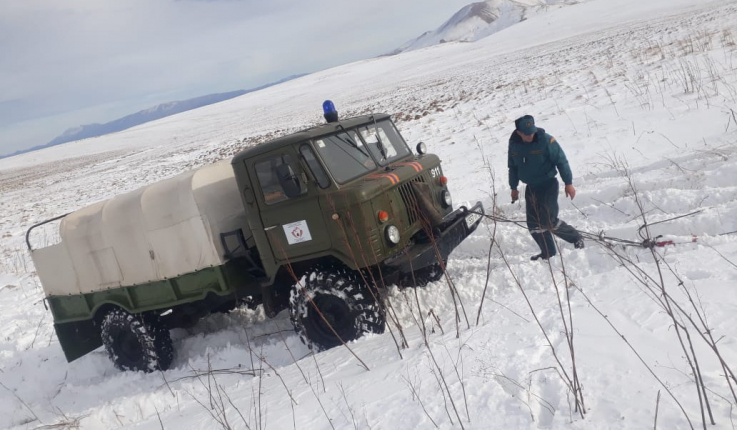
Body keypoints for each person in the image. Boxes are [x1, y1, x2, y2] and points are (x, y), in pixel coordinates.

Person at [508, 115, 584, 261]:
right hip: (531, 187)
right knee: (533, 224)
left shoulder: (546, 140)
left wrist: (568, 183)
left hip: (548, 184)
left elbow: (561, 161)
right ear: (519, 132)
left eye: (532, 132)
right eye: (527, 133)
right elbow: (512, 166)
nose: (531, 135)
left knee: (549, 220)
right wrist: (513, 187)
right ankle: (548, 252)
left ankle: (576, 238)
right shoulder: (514, 144)